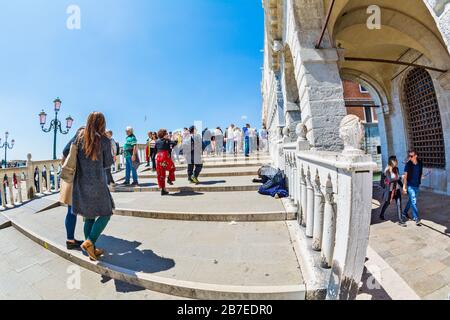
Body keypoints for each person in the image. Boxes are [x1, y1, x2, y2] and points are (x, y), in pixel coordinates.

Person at [62, 112, 114, 261]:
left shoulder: (79, 136)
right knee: (106, 213)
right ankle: (90, 242)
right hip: (97, 184)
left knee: (89, 217)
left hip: (80, 184)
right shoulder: (104, 140)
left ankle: (91, 250)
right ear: (101, 123)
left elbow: (66, 151)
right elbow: (107, 163)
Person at [60, 126, 85, 250]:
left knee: (71, 209)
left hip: (71, 178)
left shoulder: (72, 141)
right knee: (78, 210)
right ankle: (85, 240)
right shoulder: (85, 141)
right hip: (81, 179)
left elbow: (63, 157)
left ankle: (70, 239)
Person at [402, 149, 426, 226]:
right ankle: (416, 218)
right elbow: (405, 177)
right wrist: (404, 187)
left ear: (416, 155)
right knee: (414, 200)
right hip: (410, 185)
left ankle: (404, 212)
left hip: (417, 185)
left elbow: (420, 172)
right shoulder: (408, 164)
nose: (410, 157)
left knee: (411, 201)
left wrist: (421, 176)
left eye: (411, 156)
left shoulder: (420, 163)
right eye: (409, 156)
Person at [379, 156, 405, 225]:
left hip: (396, 190)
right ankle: (381, 214)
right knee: (387, 203)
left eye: (396, 160)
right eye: (395, 160)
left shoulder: (396, 169)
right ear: (392, 162)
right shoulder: (387, 171)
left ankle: (400, 220)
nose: (397, 161)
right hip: (390, 191)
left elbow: (398, 180)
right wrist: (400, 177)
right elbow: (390, 180)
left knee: (399, 204)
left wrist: (403, 187)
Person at [156, 129, 177, 196]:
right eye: (166, 133)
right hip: (164, 156)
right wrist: (175, 140)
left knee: (161, 174)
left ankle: (163, 189)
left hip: (158, 157)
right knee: (172, 168)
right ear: (164, 134)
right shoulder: (166, 140)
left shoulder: (157, 141)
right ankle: (169, 179)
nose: (167, 134)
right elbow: (174, 144)